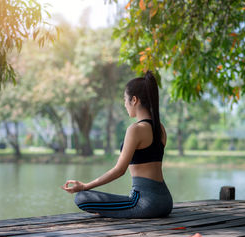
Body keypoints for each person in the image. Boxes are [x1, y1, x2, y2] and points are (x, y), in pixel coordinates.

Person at [61, 71, 173, 218]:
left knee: (82, 198)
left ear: (134, 100)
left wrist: (85, 186)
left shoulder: (135, 130)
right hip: (165, 201)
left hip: (146, 203)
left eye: (125, 99)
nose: (125, 104)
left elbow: (119, 170)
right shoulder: (160, 128)